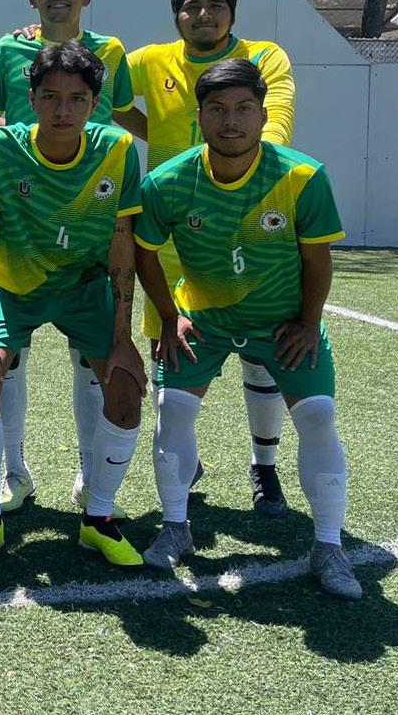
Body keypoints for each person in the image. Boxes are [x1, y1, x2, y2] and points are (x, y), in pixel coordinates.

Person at [134, 59, 359, 600]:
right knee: (171, 410)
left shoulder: (302, 176)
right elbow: (143, 253)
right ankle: (176, 528)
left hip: (283, 323)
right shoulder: (167, 181)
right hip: (204, 322)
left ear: (262, 115)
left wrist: (308, 323)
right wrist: (168, 314)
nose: (230, 121)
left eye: (243, 109)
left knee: (319, 417)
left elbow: (318, 259)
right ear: (199, 117)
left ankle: (329, 546)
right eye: (216, 109)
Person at [0, 42, 146, 565]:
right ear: (31, 98)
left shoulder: (118, 149)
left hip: (85, 290)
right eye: (51, 97)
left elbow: (123, 241)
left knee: (126, 385)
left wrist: (123, 337)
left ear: (95, 103)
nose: (64, 110)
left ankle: (98, 518)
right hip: (14, 290)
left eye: (77, 99)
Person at [121, 0, 298, 516]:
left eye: (215, 4)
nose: (204, 14)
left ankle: (264, 466)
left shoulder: (264, 56)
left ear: (232, 12)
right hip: (175, 233)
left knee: (261, 353)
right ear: (177, 15)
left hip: (252, 226)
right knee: (168, 345)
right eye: (192, 5)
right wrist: (44, 36)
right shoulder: (150, 60)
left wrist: (238, 169)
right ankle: (186, 457)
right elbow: (99, 82)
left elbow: (277, 121)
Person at [0, 0, 137, 517]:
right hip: (24, 214)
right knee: (6, 359)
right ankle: (12, 474)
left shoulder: (111, 51)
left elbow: (121, 119)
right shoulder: (8, 48)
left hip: (86, 211)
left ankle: (92, 479)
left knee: (92, 361)